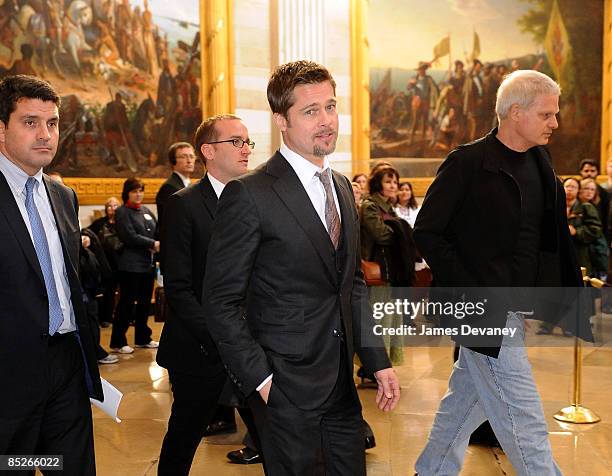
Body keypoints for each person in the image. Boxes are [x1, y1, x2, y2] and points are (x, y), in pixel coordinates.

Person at [203, 60, 400, 475]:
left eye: (330, 107)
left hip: (342, 388)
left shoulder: (343, 187)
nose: (326, 120)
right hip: (283, 388)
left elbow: (353, 287)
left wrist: (377, 360)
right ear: (282, 120)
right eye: (311, 111)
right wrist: (261, 380)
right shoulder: (249, 194)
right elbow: (220, 301)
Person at [413, 70, 593, 475]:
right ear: (515, 112)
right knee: (523, 415)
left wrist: (537, 301)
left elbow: (542, 239)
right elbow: (427, 232)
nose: (555, 123)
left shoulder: (540, 160)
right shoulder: (468, 163)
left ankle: (431, 470)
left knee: (465, 400)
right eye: (547, 114)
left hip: (511, 310)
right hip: (480, 308)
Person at [0, 74, 103, 474]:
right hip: (9, 372)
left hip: (66, 363)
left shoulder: (62, 195)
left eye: (53, 123)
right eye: (30, 122)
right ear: (2, 129)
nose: (45, 134)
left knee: (71, 465)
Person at [156, 114, 262, 474]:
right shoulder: (183, 204)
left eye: (248, 141)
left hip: (251, 347)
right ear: (208, 151)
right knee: (184, 436)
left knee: (274, 434)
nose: (246, 149)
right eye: (236, 141)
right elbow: (179, 288)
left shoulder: (256, 201)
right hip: (200, 348)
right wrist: (222, 336)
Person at [537, 178, 603, 335]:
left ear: (578, 190)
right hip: (556, 255)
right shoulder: (554, 205)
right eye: (567, 186)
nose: (570, 189)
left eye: (574, 187)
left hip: (579, 255)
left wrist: (577, 232)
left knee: (573, 291)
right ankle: (548, 323)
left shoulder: (585, 207)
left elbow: (595, 230)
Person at [110, 177, 159, 353]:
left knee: (145, 303)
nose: (138, 194)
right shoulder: (122, 212)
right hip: (130, 265)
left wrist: (159, 242)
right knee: (127, 303)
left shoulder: (146, 210)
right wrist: (152, 244)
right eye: (134, 191)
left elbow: (157, 229)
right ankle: (118, 341)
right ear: (127, 193)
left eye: (140, 191)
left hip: (147, 264)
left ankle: (142, 338)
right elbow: (128, 236)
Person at [155, 141, 196, 236]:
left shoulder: (189, 184)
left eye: (191, 156)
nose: (189, 160)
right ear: (173, 161)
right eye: (183, 157)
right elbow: (173, 223)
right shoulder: (169, 187)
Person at [579, 158, 609, 225]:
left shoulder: (604, 193)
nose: (589, 173)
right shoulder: (576, 188)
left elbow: (605, 217)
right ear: (581, 172)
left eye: (592, 171)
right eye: (586, 171)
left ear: (597, 172)